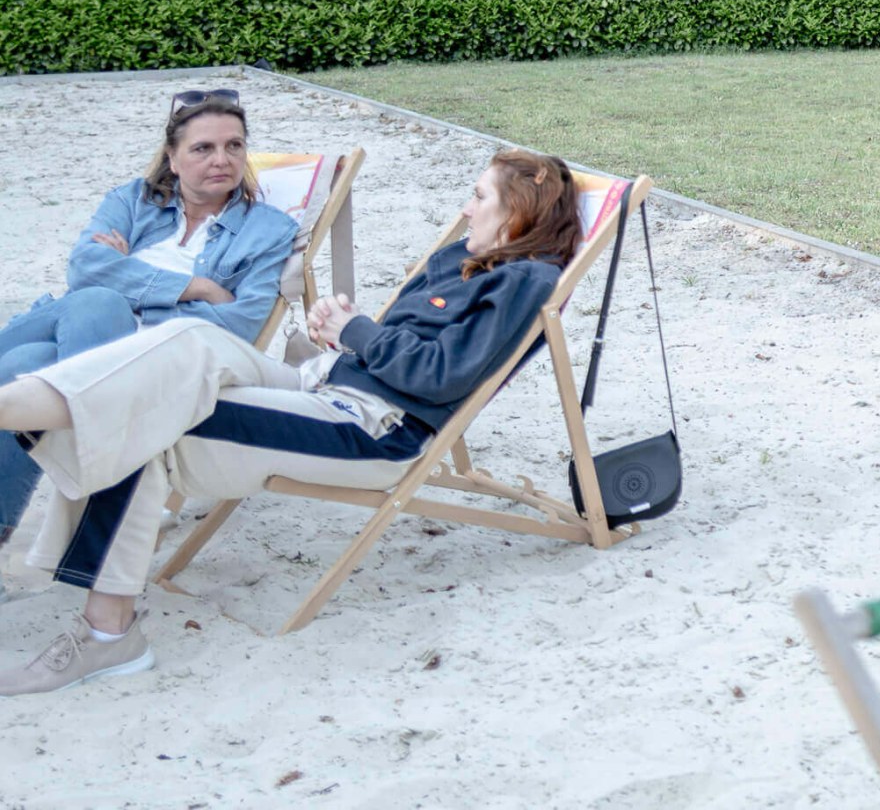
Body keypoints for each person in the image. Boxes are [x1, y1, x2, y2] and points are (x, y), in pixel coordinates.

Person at [0, 149, 584, 694]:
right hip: (327, 384)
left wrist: (357, 331)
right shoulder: (463, 258)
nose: (466, 209)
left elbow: (438, 376)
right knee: (191, 339)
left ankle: (107, 634)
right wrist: (346, 330)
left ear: (517, 213)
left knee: (143, 416)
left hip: (373, 427)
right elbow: (403, 345)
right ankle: (104, 623)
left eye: (479, 197)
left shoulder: (524, 281)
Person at [0, 91, 297, 570]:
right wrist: (197, 288)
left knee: (21, 367)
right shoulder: (132, 200)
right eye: (203, 148)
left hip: (145, 357)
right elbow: (84, 269)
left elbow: (238, 325)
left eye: (234, 146)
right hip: (72, 326)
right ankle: (110, 479)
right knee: (97, 303)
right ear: (173, 160)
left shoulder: (269, 230)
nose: (222, 160)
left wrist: (127, 285)